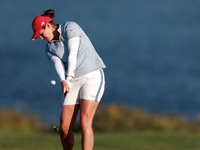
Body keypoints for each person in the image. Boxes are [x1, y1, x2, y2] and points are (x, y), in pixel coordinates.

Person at [31, 9, 106, 150]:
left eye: (40, 33)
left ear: (47, 26)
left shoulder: (70, 27)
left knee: (84, 121)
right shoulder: (49, 48)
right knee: (64, 127)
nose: (41, 38)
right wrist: (63, 81)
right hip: (72, 81)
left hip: (92, 76)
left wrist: (69, 77)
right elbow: (57, 65)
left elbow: (73, 55)